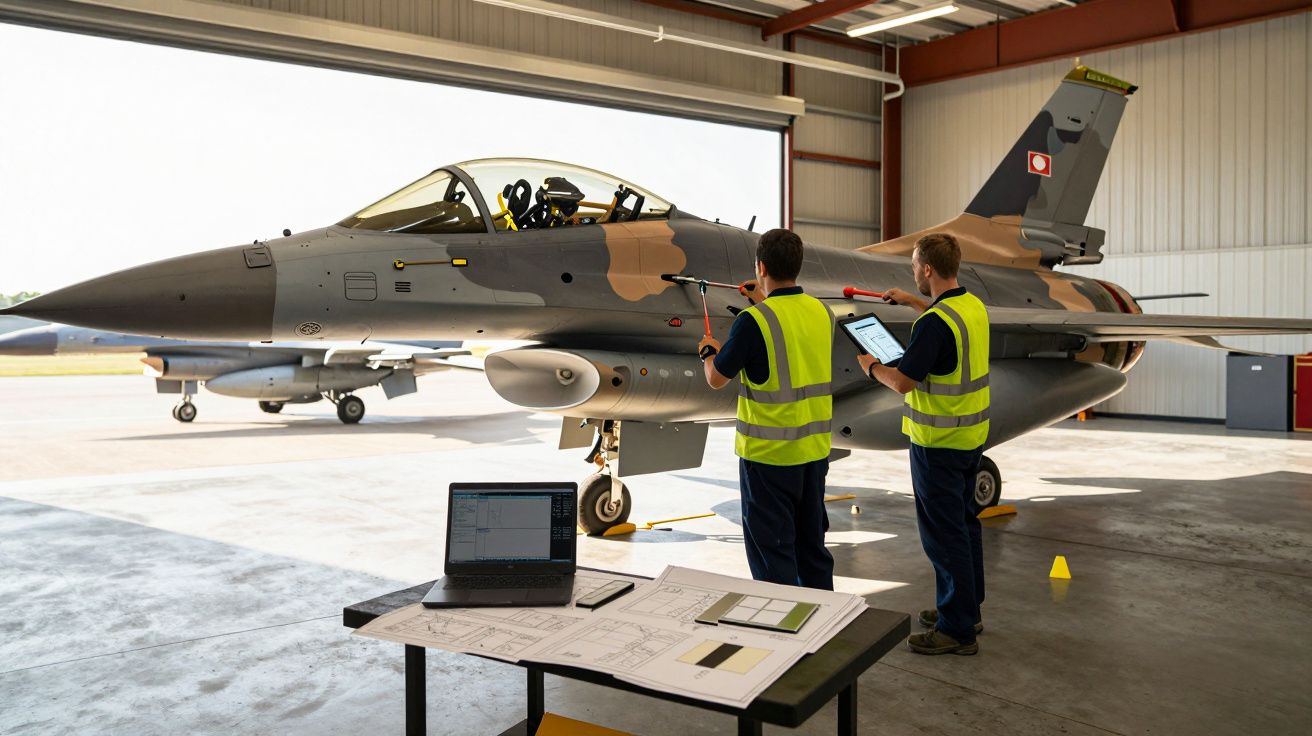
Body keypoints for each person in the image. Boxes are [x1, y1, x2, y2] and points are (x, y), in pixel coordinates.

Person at [859, 233, 990, 656]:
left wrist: (872, 366)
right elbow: (945, 323)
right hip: (970, 437)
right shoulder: (971, 307)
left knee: (943, 535)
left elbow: (902, 382)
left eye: (914, 265)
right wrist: (912, 301)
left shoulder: (931, 325)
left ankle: (956, 630)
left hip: (938, 443)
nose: (913, 271)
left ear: (928, 269)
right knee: (965, 526)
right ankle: (967, 610)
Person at [697, 228, 836, 590]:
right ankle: (825, 632)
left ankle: (782, 636)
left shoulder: (753, 323)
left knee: (773, 559)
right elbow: (789, 334)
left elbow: (716, 379)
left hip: (769, 459)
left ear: (760, 266)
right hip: (813, 454)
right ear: (799, 266)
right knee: (812, 551)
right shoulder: (823, 312)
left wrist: (708, 352)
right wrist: (761, 299)